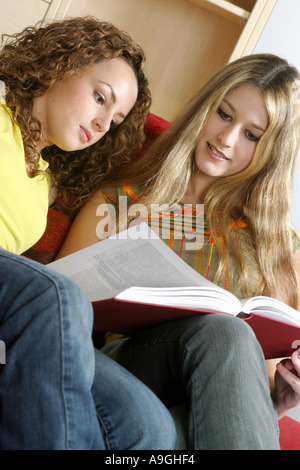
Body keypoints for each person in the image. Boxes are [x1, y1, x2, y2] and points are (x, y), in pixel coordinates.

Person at [56, 54, 300, 449]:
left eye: (252, 135)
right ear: (205, 107)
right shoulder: (120, 202)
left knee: (182, 424)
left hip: (186, 417)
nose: (227, 139)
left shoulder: (279, 248)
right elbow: (57, 315)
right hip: (122, 375)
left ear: (272, 152)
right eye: (223, 114)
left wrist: (280, 403)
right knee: (225, 331)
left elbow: (249, 396)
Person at [0, 17, 177, 449]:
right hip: (26, 299)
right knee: (57, 295)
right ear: (60, 64)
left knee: (146, 422)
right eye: (100, 97)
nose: (101, 125)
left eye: (114, 121)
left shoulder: (42, 179)